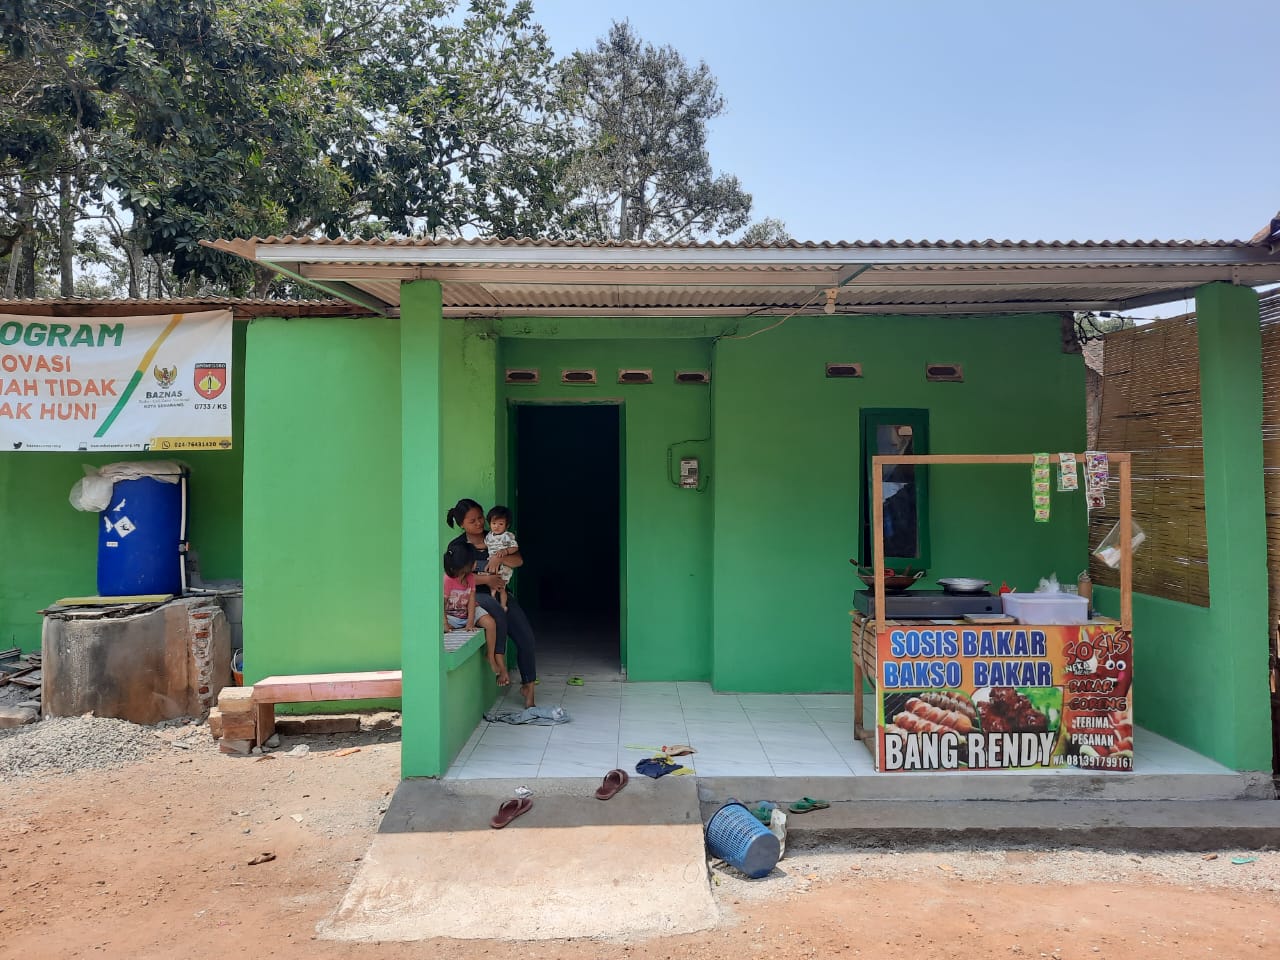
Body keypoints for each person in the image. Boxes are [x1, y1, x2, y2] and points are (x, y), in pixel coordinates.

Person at [445, 498, 538, 708]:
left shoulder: (496, 537)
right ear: (461, 524)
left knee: (526, 638)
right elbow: (456, 576)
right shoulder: (458, 547)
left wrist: (499, 558)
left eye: (480, 518)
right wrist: (486, 579)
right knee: (496, 609)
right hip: (474, 596)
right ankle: (498, 660)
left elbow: (518, 560)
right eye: (472, 521)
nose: (479, 523)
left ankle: (528, 687)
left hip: (501, 592)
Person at [442, 541, 508, 686]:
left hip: (468, 611)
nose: (476, 564)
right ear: (465, 565)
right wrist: (445, 623)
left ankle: (490, 656)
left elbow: (472, 600)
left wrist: (470, 621)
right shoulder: (448, 580)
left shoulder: (470, 578)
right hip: (451, 615)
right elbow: (442, 603)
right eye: (473, 561)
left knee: (490, 623)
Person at [483, 505, 519, 611]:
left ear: (507, 526)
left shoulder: (507, 536)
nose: (496, 526)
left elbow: (515, 547)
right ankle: (494, 601)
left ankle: (503, 605)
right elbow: (485, 545)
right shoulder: (489, 536)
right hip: (492, 565)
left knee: (502, 587)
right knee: (492, 586)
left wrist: (505, 551)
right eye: (494, 523)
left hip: (504, 567)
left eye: (501, 524)